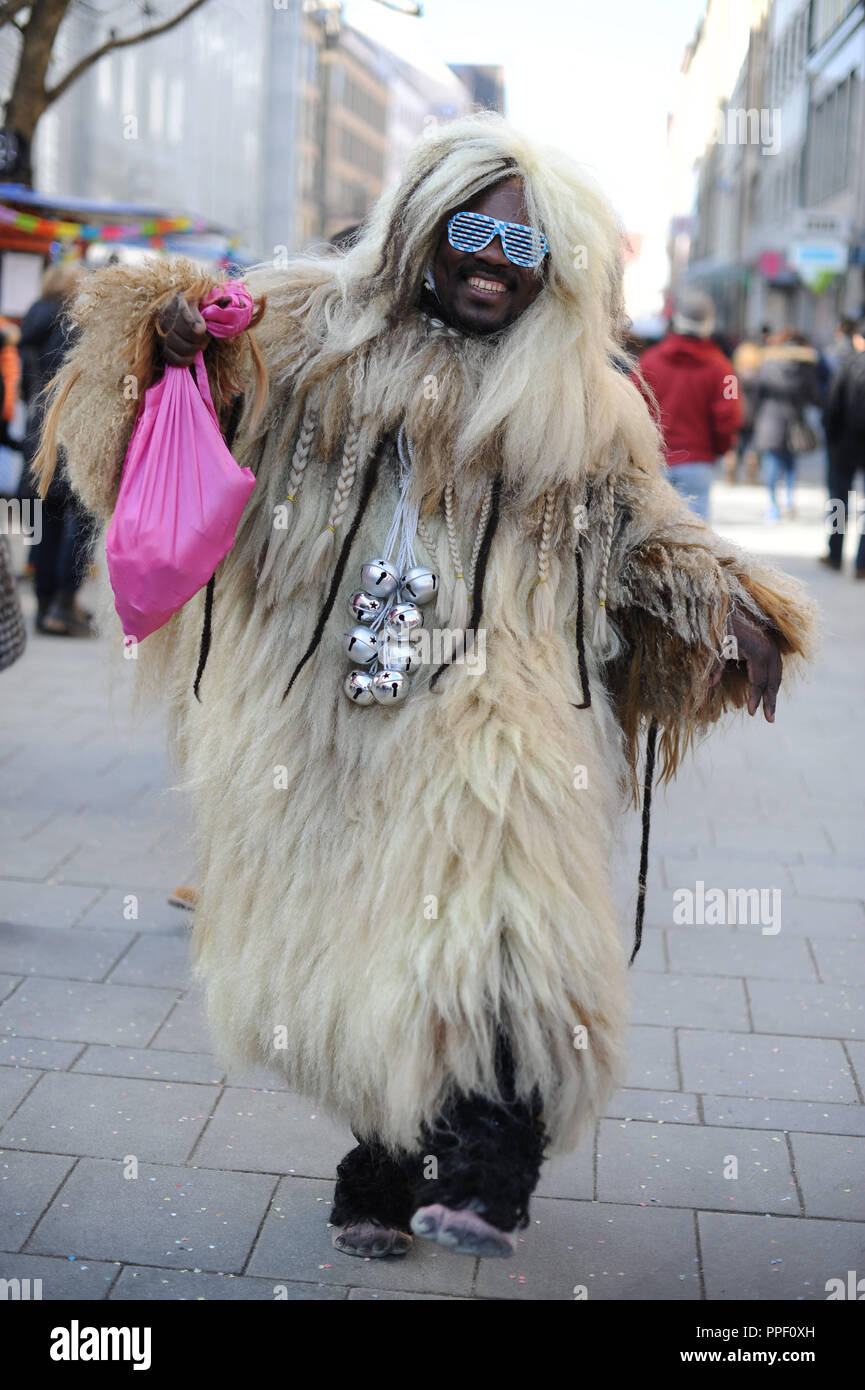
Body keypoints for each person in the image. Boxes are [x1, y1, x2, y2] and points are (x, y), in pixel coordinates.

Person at [37, 115, 815, 1260]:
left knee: (512, 921)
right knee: (362, 941)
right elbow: (167, 439)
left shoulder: (580, 401)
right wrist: (167, 340)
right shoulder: (303, 334)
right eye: (468, 230)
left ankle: (494, 1156)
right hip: (321, 708)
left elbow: (638, 527)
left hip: (491, 701)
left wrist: (726, 600)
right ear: (414, 230)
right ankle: (384, 1154)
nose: (495, 259)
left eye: (526, 244)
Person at [19, 260, 94, 635]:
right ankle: (65, 604)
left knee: (44, 521)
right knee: (83, 518)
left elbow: (24, 387)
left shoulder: (32, 323)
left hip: (36, 434)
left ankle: (45, 605)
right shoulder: (70, 325)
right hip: (69, 434)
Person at [633, 290, 743, 521]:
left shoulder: (649, 361)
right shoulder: (723, 369)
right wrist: (722, 448)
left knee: (653, 540)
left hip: (655, 461)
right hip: (697, 464)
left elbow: (631, 406)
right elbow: (730, 414)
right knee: (695, 542)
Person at [751, 329, 822, 522]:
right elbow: (814, 397)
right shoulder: (805, 369)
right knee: (790, 463)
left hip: (770, 421)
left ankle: (773, 505)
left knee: (772, 463)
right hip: (794, 422)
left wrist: (754, 417)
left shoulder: (768, 366)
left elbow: (757, 395)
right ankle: (789, 501)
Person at [822, 320, 865, 578]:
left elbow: (832, 406)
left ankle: (836, 554)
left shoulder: (847, 365)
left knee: (839, 500)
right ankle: (862, 562)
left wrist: (832, 438)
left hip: (844, 446)